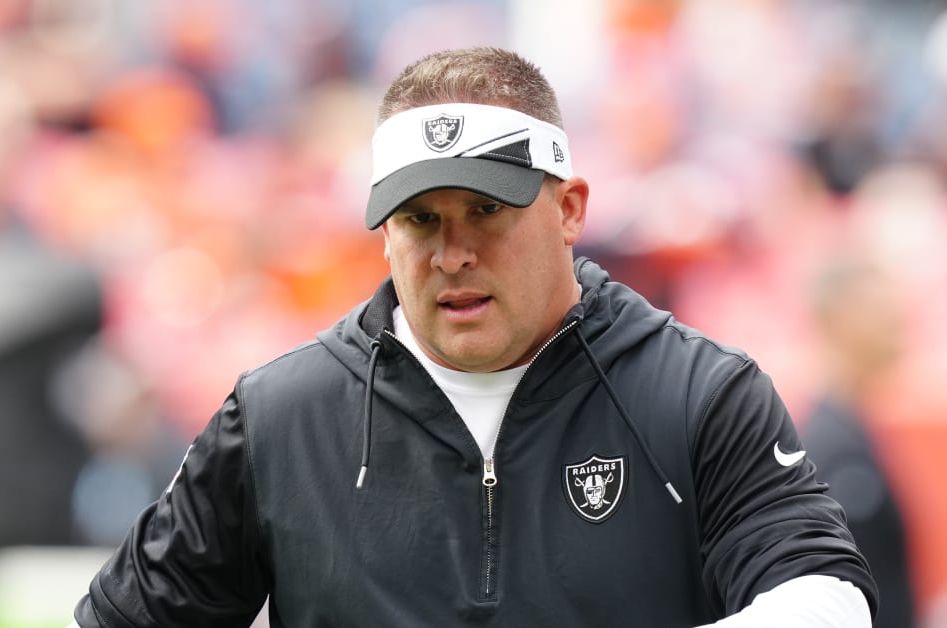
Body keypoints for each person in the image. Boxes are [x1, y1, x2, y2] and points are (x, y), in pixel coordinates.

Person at [71, 47, 877, 627]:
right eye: (421, 219)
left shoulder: (697, 392)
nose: (452, 253)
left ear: (568, 210)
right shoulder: (282, 414)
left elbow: (827, 596)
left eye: (487, 210)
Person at [800, 255, 918, 628]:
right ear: (840, 320)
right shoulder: (830, 447)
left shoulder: (847, 430)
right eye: (882, 314)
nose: (898, 327)